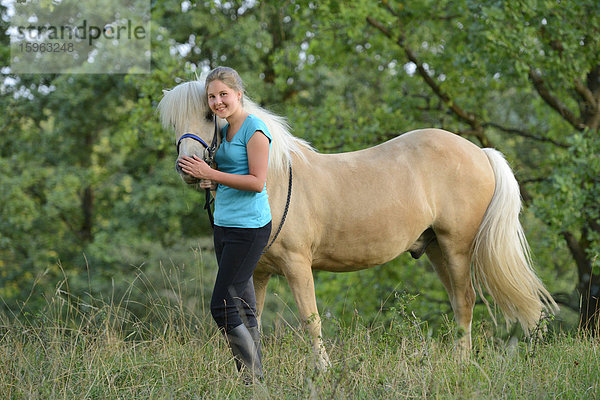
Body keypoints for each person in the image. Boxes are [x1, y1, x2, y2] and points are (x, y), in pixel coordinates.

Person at [178, 66, 272, 382]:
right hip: (225, 225)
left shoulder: (254, 129)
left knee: (222, 307)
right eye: (212, 97)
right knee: (244, 308)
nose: (218, 102)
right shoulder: (226, 130)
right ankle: (255, 385)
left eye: (223, 95)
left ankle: (251, 377)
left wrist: (211, 175)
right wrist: (213, 185)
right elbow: (232, 177)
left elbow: (258, 181)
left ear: (238, 94)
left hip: (249, 229)